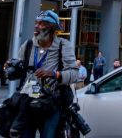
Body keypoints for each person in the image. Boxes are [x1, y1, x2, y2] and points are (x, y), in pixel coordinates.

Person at [8, 10, 77, 138]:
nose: (37, 26)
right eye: (36, 23)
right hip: (27, 103)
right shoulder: (28, 45)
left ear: (51, 27)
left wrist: (54, 74)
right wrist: (12, 70)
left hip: (51, 103)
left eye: (41, 23)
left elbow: (74, 74)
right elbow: (18, 71)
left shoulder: (64, 45)